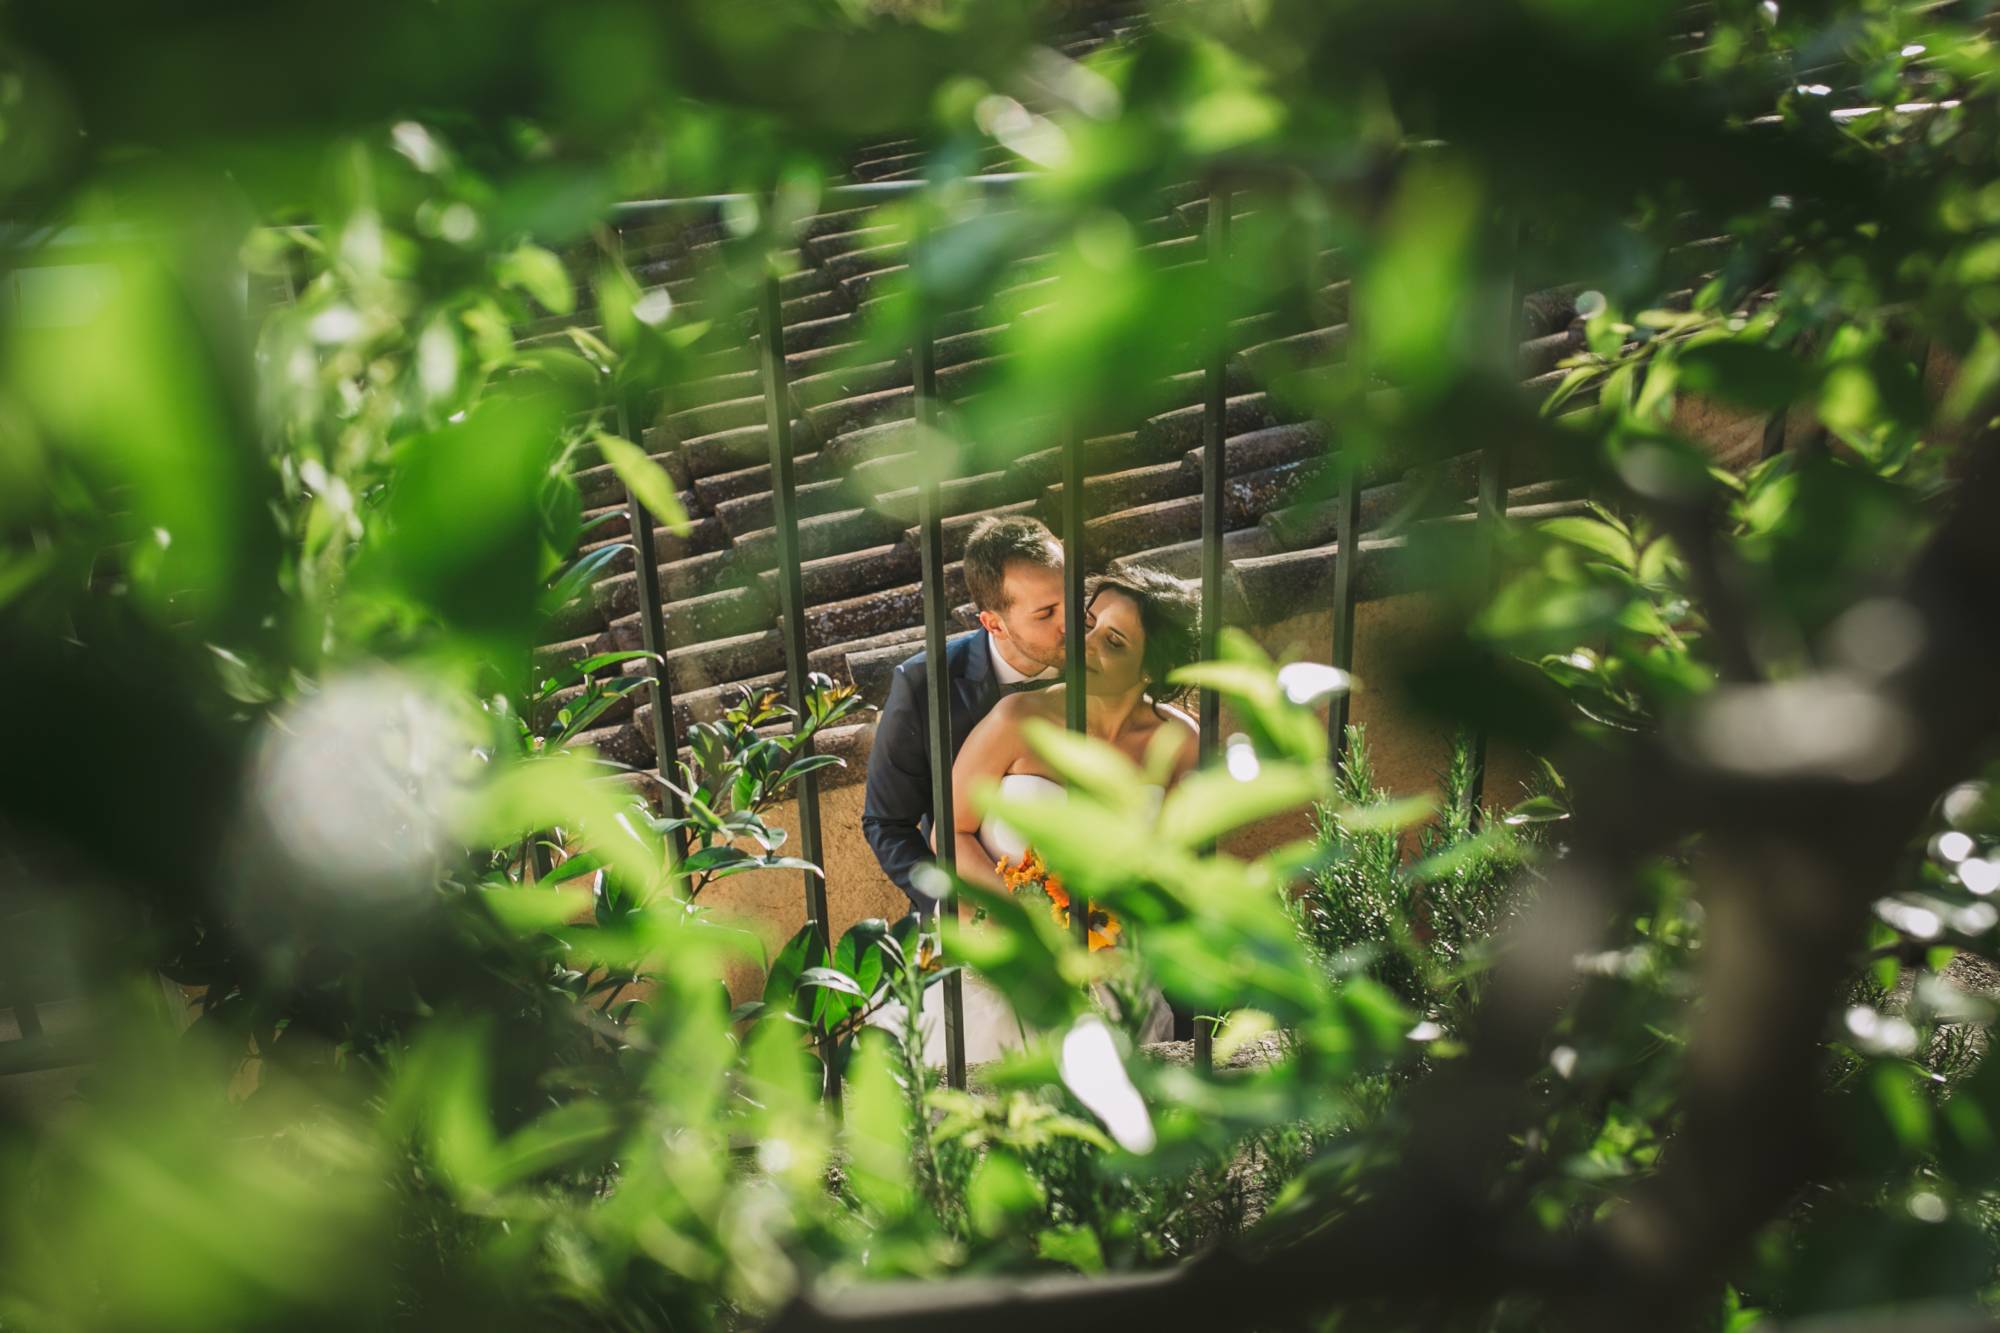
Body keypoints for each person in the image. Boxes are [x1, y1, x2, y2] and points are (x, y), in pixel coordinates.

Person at [881, 566, 1202, 1065]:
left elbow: (1179, 865)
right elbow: (951, 833)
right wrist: (1028, 930)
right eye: (1089, 623)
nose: (1085, 643)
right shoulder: (1017, 718)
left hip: (1110, 966)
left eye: (1113, 641)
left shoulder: (1181, 743)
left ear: (1152, 669)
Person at [861, 514, 1068, 911]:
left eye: (1071, 599)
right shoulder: (923, 684)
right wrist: (955, 908)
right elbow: (887, 823)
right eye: (1046, 614)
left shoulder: (1106, 660)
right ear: (994, 624)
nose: (1070, 623)